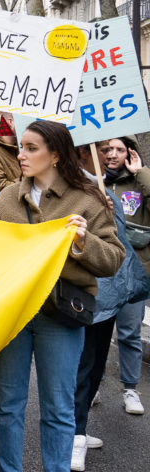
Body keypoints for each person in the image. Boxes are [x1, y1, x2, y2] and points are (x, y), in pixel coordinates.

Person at [0, 120, 123, 472]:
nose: (21, 154)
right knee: (8, 402)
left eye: (31, 148)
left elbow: (113, 260)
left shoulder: (88, 201)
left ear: (55, 154)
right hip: (14, 313)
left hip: (61, 316)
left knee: (57, 405)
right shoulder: (5, 199)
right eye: (21, 147)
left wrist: (82, 243)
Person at [72, 143, 150, 472]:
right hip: (86, 293)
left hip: (109, 292)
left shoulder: (106, 189)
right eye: (101, 150)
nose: (107, 155)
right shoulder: (80, 189)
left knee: (96, 361)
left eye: (113, 150)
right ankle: (73, 436)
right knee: (82, 365)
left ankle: (79, 428)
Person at [102, 136, 149, 416]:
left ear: (130, 153)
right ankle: (90, 385)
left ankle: (130, 388)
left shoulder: (140, 184)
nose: (112, 154)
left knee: (130, 333)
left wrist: (140, 171)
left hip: (134, 272)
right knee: (95, 332)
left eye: (120, 149)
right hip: (103, 271)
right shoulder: (95, 183)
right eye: (107, 149)